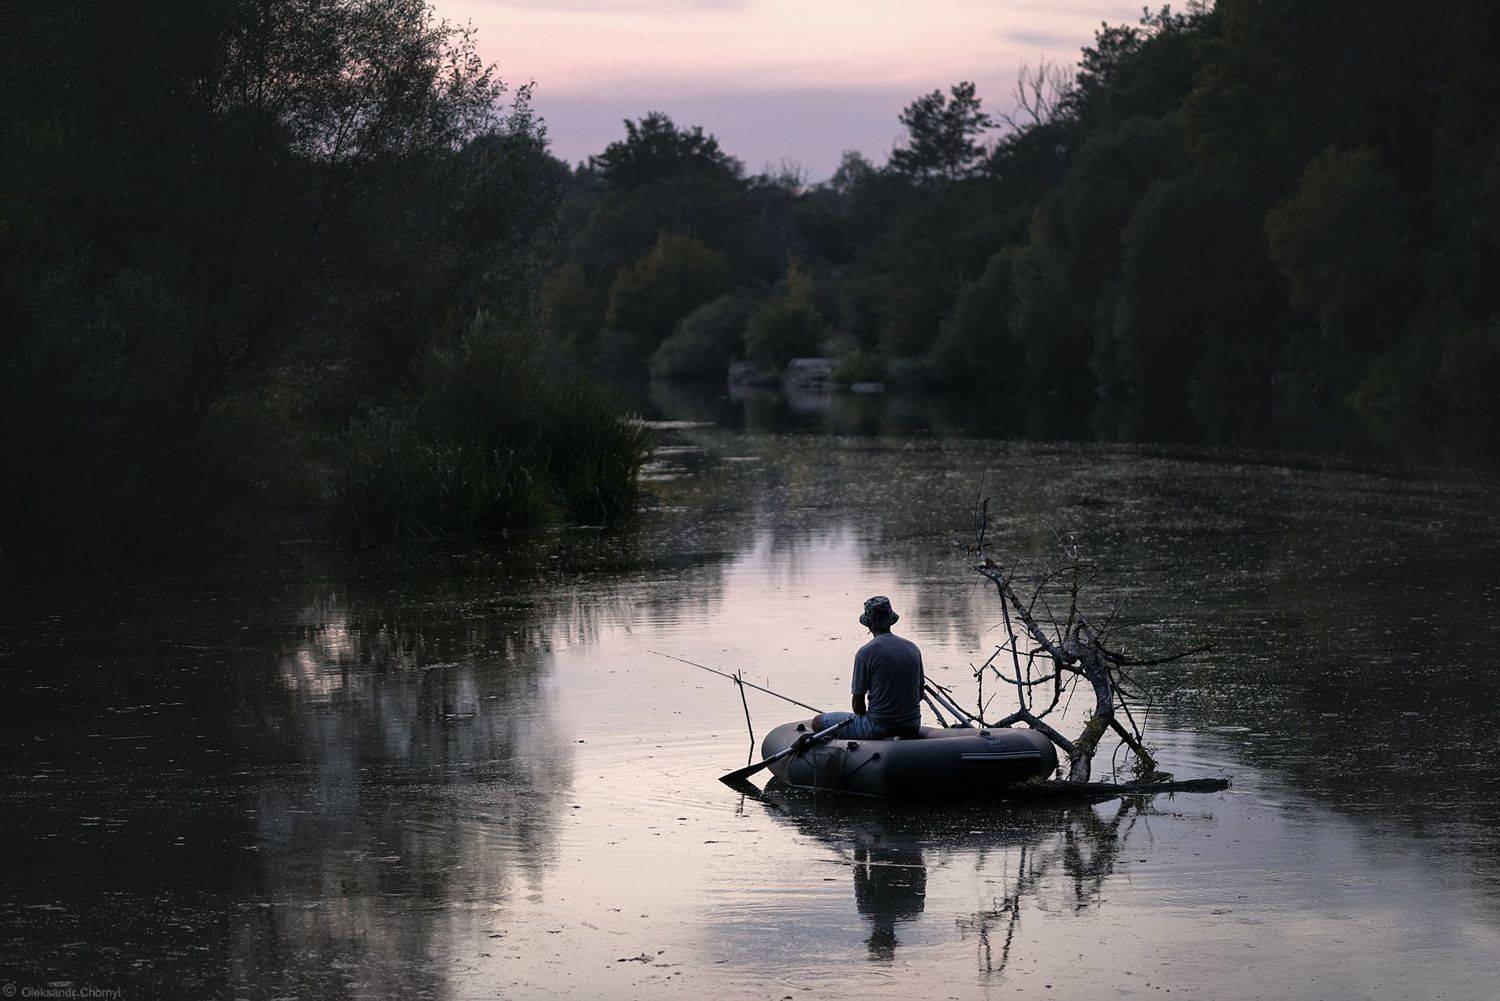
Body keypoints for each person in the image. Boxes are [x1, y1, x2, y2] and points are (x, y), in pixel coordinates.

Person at [813, 596, 924, 740]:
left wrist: (868, 718)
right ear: (891, 620)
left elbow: (858, 705)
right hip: (913, 726)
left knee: (817, 722)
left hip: (878, 728)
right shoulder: (913, 648)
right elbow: (920, 695)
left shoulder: (865, 653)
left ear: (868, 625)